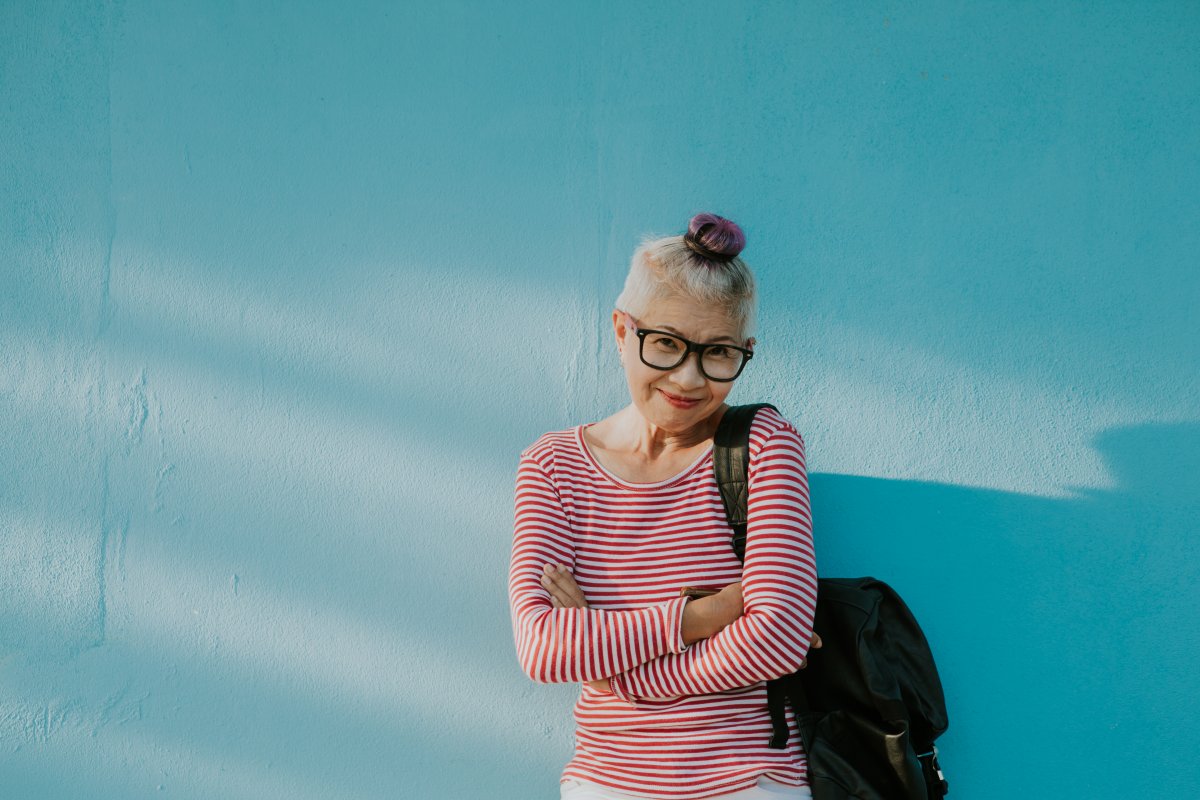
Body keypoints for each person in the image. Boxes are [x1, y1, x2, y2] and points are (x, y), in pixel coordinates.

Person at [508, 213, 819, 800]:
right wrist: (704, 616)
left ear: (745, 352)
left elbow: (778, 635)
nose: (689, 379)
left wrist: (616, 672)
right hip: (606, 782)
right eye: (667, 344)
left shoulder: (765, 445)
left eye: (718, 353)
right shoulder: (554, 467)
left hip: (750, 783)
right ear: (622, 331)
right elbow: (544, 646)